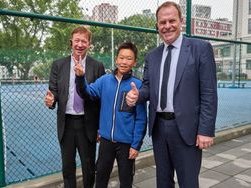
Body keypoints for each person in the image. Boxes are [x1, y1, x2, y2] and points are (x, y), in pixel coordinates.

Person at [126, 1, 218, 188]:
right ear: (157, 26)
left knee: (188, 182)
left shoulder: (200, 49)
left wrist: (205, 130)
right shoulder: (152, 56)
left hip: (187, 130)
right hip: (159, 128)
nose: (167, 26)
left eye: (171, 20)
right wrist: (137, 96)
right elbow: (147, 87)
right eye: (162, 22)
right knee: (163, 181)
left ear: (181, 21)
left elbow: (209, 93)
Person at [74, 42, 147, 188]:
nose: (124, 62)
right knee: (100, 178)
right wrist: (81, 77)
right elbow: (87, 93)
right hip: (106, 141)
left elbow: (141, 118)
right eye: (121, 57)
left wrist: (136, 145)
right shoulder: (104, 81)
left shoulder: (137, 86)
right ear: (116, 59)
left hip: (126, 143)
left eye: (128, 58)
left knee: (126, 181)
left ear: (134, 62)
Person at [44, 26, 105, 188]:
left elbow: (100, 100)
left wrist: (100, 127)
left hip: (88, 124)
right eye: (76, 40)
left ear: (89, 44)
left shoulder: (97, 66)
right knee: (68, 168)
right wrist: (51, 100)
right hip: (67, 124)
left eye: (83, 41)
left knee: (89, 167)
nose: (80, 44)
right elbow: (54, 92)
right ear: (71, 42)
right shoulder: (58, 65)